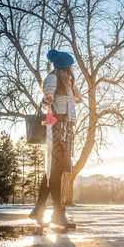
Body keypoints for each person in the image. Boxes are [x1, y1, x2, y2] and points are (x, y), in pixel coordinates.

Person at [29, 49, 82, 228]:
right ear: (64, 66)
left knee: (53, 172)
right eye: (70, 65)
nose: (73, 68)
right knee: (55, 171)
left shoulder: (67, 81)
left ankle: (40, 211)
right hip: (58, 128)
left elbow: (78, 99)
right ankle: (57, 214)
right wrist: (47, 98)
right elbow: (45, 102)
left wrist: (71, 86)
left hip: (66, 130)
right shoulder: (52, 78)